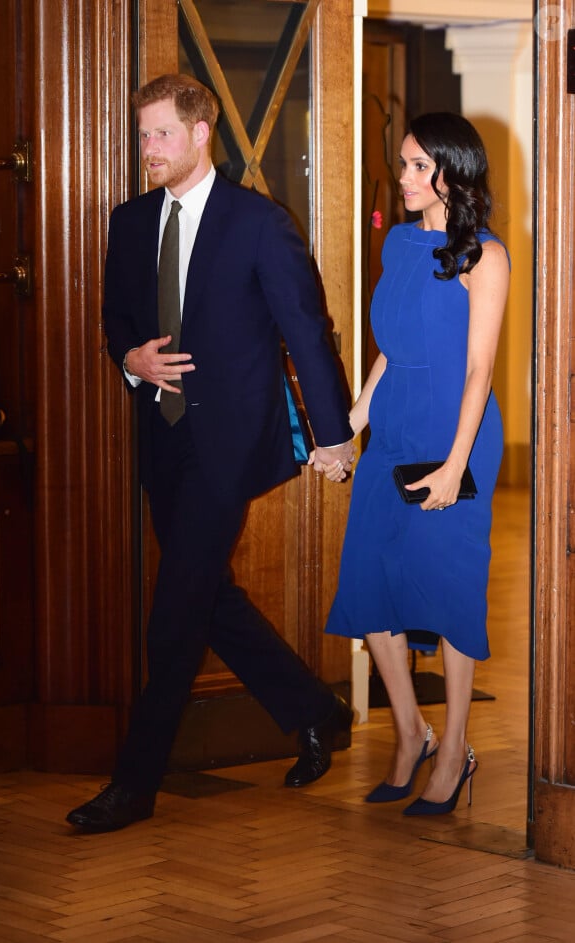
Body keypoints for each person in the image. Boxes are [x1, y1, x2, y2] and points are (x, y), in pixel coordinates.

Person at [66, 73, 355, 833]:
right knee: (204, 596)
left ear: (201, 133)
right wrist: (134, 359)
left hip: (229, 446)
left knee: (171, 616)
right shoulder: (129, 223)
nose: (148, 149)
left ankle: (133, 785)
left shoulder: (259, 222)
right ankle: (315, 707)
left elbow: (307, 329)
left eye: (160, 134)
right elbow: (114, 321)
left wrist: (332, 433)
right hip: (162, 441)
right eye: (142, 135)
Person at [323, 112, 510, 815]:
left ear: (449, 172)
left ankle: (455, 747)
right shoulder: (400, 244)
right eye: (401, 164)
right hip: (394, 431)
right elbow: (392, 348)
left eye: (414, 166)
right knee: (369, 582)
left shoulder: (485, 256)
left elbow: (479, 370)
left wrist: (453, 466)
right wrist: (353, 423)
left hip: (453, 439)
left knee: (449, 591)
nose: (401, 177)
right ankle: (411, 734)